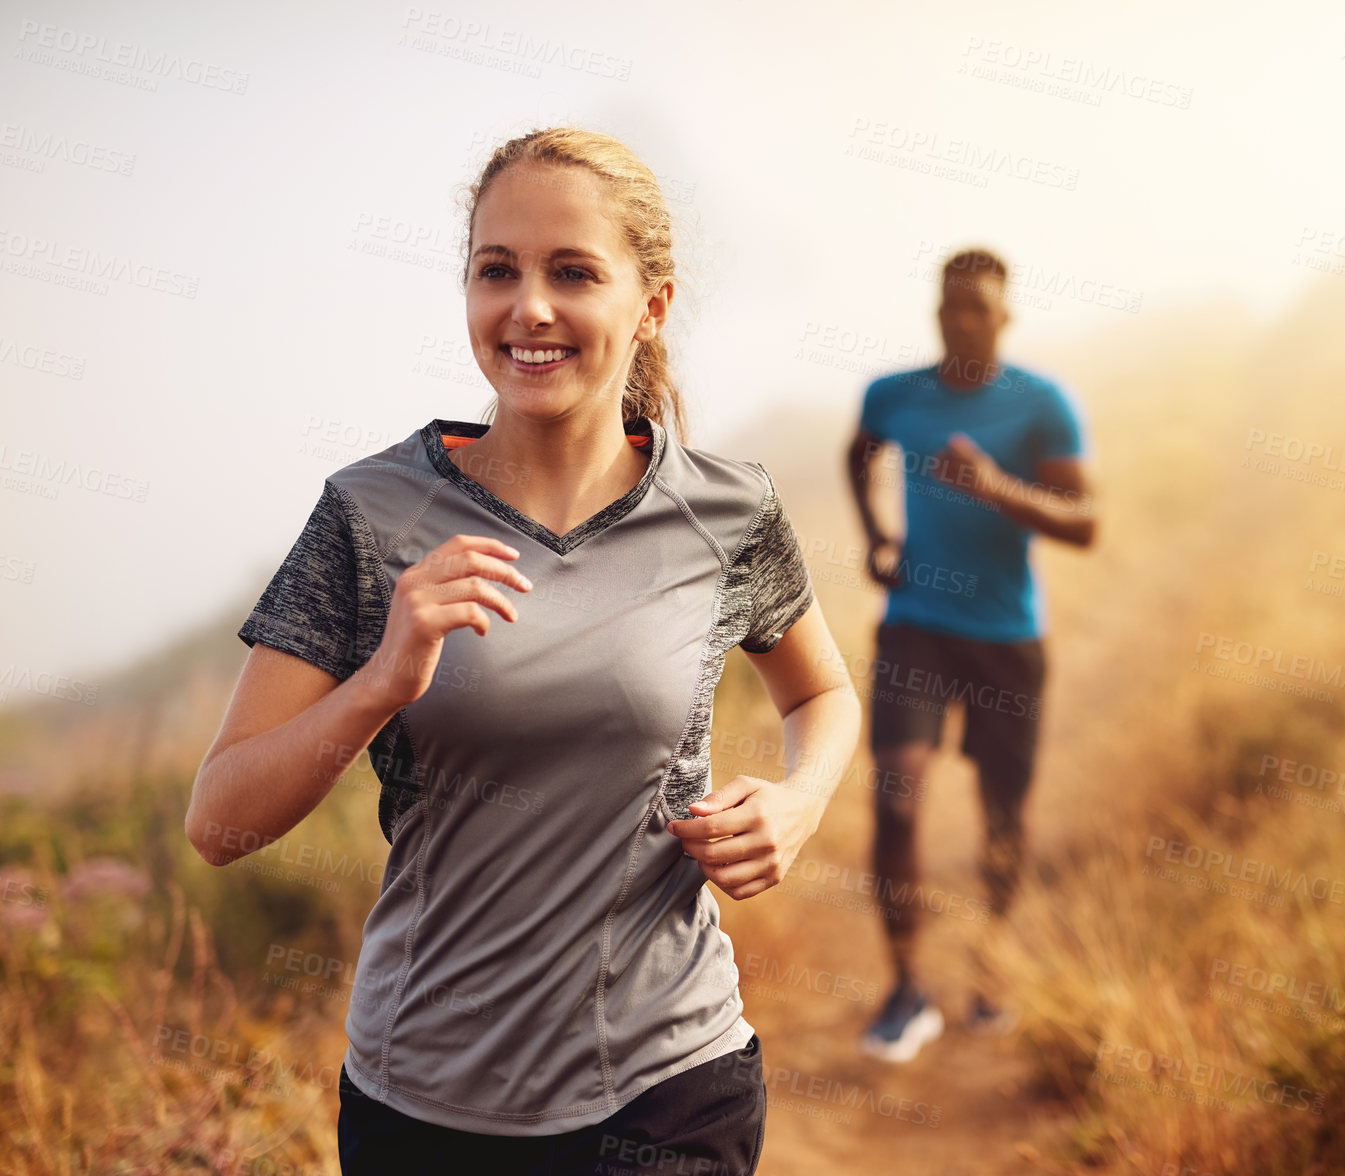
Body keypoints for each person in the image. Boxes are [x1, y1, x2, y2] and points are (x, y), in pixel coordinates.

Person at [186, 126, 862, 1174]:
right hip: (424, 1103)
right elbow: (218, 822)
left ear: (651, 307)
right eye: (495, 271)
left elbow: (823, 693)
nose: (528, 308)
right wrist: (382, 680)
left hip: (668, 1084)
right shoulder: (371, 514)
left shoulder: (726, 509)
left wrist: (799, 799)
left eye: (573, 272)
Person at [846, 247, 1096, 1063]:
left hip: (1006, 639)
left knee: (1002, 818)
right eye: (951, 308)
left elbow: (1085, 522)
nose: (964, 322)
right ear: (936, 312)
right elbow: (861, 452)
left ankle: (992, 965)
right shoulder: (894, 395)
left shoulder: (1041, 404)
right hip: (917, 622)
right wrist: (878, 534)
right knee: (897, 799)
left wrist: (995, 487)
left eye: (980, 310)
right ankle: (906, 987)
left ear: (1005, 316)